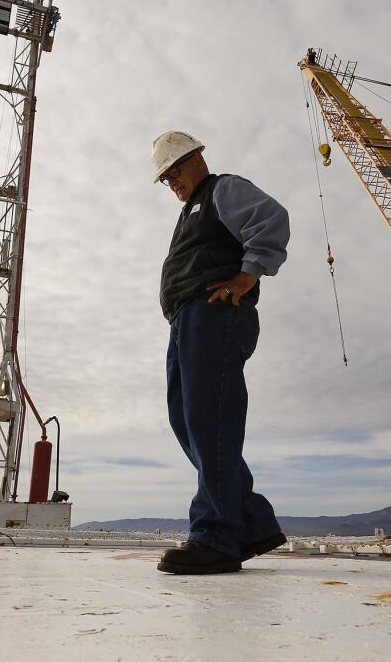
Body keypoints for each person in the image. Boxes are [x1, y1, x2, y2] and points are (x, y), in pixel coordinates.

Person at [151, 130, 289, 575]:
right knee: (188, 421)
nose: (172, 181)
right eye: (165, 177)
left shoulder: (221, 190)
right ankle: (249, 522)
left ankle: (216, 534)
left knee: (210, 420)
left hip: (215, 314)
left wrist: (245, 279)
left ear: (196, 159)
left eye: (174, 170)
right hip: (187, 322)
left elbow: (271, 219)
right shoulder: (191, 209)